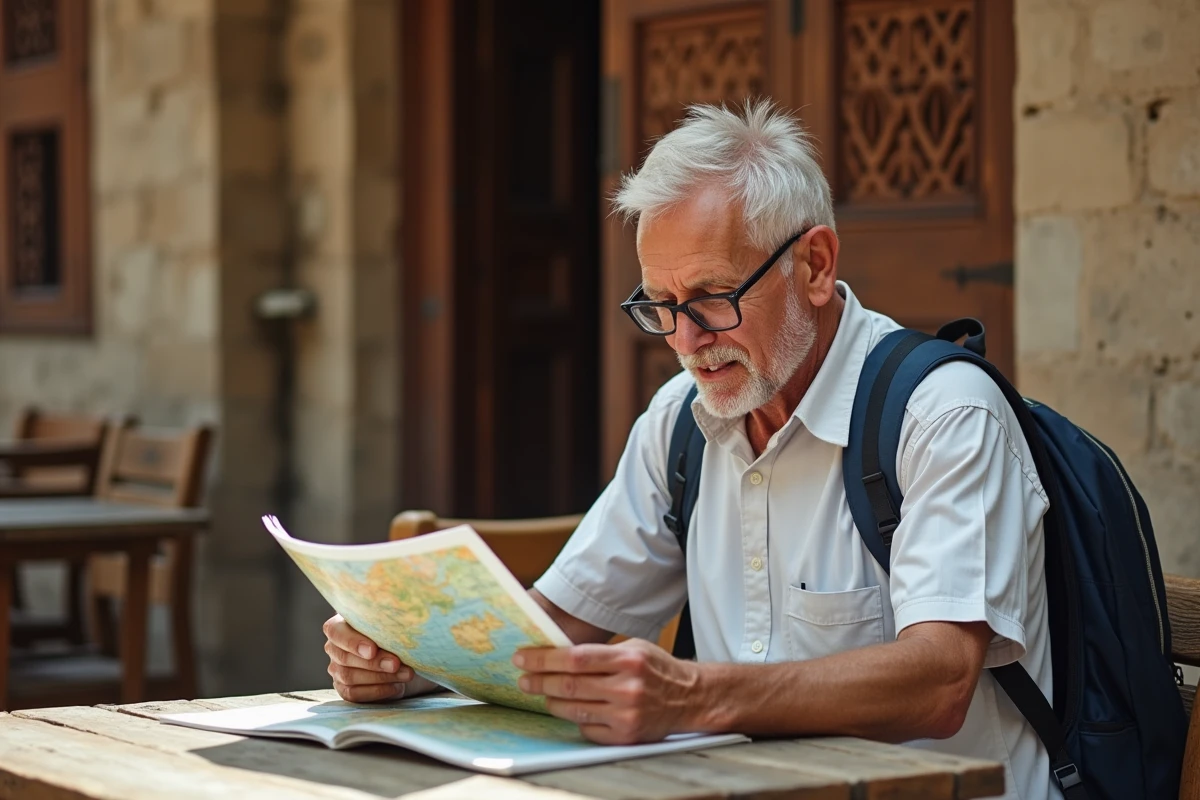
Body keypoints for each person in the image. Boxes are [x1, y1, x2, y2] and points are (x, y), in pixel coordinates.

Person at [323, 101, 1055, 800]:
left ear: (815, 265)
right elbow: (556, 628)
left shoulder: (944, 414)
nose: (685, 340)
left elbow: (938, 682)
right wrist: (410, 664)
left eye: (710, 296)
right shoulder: (681, 422)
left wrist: (693, 695)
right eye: (659, 306)